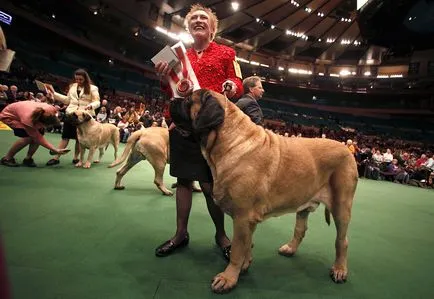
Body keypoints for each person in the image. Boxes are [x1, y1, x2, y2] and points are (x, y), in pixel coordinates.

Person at [154, 4, 243, 260]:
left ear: (213, 28)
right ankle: (180, 234)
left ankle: (221, 236)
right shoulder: (176, 55)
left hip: (211, 130)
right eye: (194, 18)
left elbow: (237, 83)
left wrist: (231, 86)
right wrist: (162, 76)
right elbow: (168, 90)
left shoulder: (227, 53)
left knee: (209, 185)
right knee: (183, 181)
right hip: (182, 126)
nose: (199, 20)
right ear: (189, 27)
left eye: (204, 18)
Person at [45, 69, 100, 166]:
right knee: (65, 136)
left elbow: (97, 101)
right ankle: (56, 157)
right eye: (76, 79)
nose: (78, 81)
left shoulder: (93, 88)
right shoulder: (73, 86)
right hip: (71, 114)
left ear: (86, 79)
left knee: (80, 139)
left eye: (81, 79)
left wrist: (91, 106)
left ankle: (76, 158)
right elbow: (67, 100)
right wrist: (54, 93)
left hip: (84, 117)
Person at [0, 101, 70, 167]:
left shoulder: (52, 109)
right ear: (41, 122)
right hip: (9, 116)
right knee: (28, 138)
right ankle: (7, 158)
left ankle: (28, 159)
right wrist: (55, 150)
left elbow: (39, 136)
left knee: (39, 134)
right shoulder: (28, 120)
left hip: (23, 112)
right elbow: (37, 138)